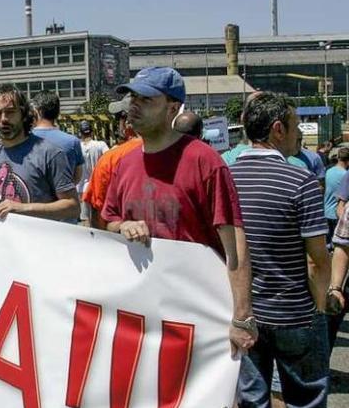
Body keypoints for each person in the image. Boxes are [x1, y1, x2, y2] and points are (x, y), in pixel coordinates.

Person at [100, 67, 256, 356]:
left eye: (146, 99)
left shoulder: (204, 161)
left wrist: (241, 317)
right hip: (142, 312)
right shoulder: (125, 162)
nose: (133, 105)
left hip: (197, 313)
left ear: (173, 107)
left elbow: (235, 244)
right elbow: (108, 221)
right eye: (132, 97)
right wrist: (123, 226)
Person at [231, 92, 331, 408]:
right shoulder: (300, 180)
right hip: (296, 314)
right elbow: (318, 259)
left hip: (246, 315)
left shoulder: (226, 177)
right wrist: (322, 306)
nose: (298, 137)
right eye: (293, 128)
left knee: (253, 406)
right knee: (307, 407)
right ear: (277, 129)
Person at [0, 83, 78, 222]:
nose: (4, 119)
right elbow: (3, 203)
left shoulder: (50, 153)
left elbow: (73, 207)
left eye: (10, 112)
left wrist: (22, 209)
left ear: (23, 114)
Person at [82, 95, 142, 229]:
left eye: (118, 118)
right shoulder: (181, 154)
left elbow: (97, 212)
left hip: (122, 243)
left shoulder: (111, 159)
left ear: (127, 121)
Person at [30, 90, 84, 185]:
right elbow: (77, 176)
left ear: (36, 111)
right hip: (65, 196)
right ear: (58, 112)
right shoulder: (73, 142)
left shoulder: (25, 139)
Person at [77, 121, 109, 224]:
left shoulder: (76, 146)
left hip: (81, 188)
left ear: (80, 133)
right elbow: (109, 158)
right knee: (98, 219)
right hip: (97, 187)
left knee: (85, 220)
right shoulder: (100, 145)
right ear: (91, 132)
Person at [324, 147, 349, 244]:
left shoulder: (329, 171)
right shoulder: (345, 175)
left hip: (326, 211)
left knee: (328, 244)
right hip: (337, 214)